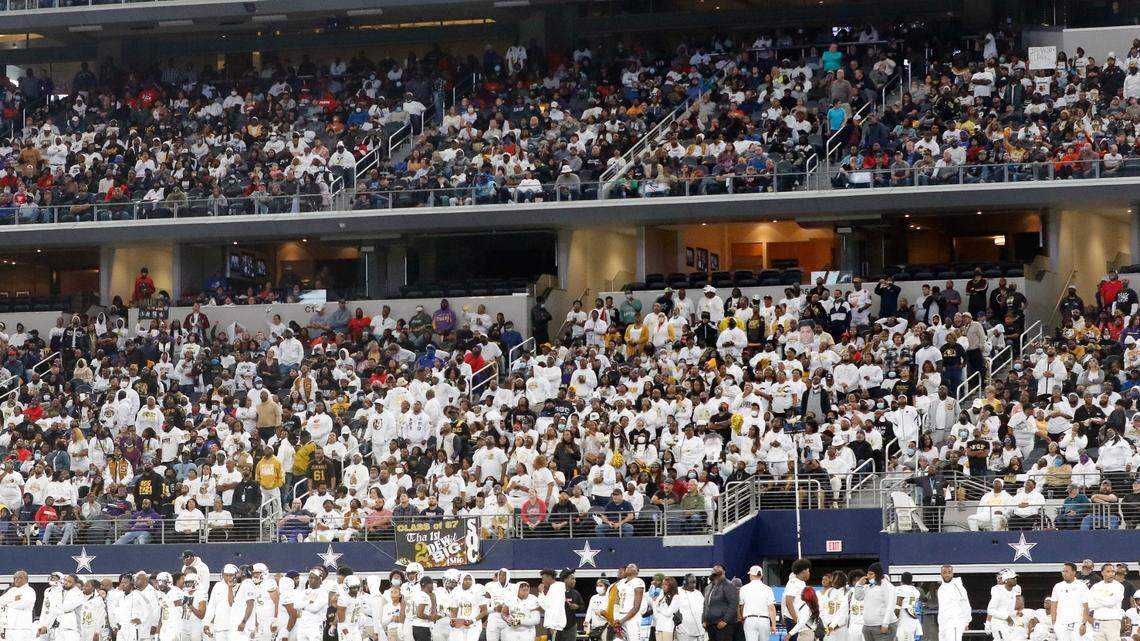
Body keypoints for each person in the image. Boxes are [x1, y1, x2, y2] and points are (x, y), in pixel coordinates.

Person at [738, 565, 778, 641]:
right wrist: (774, 625)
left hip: (750, 620)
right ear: (761, 575)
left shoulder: (743, 589)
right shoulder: (768, 589)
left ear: (751, 575)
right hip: (764, 620)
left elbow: (741, 606)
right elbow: (771, 608)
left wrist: (743, 618)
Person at [1087, 564, 1125, 641]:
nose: (1111, 574)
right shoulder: (1096, 586)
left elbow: (1111, 603)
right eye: (1108, 571)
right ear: (1102, 573)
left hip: (1112, 621)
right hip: (1097, 621)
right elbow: (1091, 603)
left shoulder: (1119, 586)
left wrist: (1097, 598)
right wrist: (1105, 600)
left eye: (1113, 571)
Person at [936, 565, 971, 641]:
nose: (947, 575)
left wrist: (966, 621)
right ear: (941, 574)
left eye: (949, 572)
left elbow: (965, 604)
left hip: (955, 623)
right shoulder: (940, 589)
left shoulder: (958, 586)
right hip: (943, 624)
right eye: (944, 572)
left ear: (953, 573)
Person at [704, 564, 738, 641]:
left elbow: (733, 604)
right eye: (714, 569)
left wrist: (725, 621)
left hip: (724, 625)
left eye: (718, 569)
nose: (716, 571)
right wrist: (704, 620)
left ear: (724, 572)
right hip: (710, 624)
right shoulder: (708, 588)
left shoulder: (729, 585)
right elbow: (705, 605)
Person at [861, 563, 895, 641]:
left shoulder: (887, 586)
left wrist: (885, 624)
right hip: (868, 625)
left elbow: (890, 606)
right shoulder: (870, 587)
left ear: (878, 574)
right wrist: (859, 584)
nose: (868, 576)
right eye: (868, 574)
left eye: (871, 574)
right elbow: (858, 597)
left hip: (881, 625)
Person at [987, 570, 1019, 641]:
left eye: (1015, 578)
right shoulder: (998, 592)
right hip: (998, 624)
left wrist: (1015, 613)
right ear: (1006, 580)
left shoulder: (1014, 591)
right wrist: (1006, 617)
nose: (1015, 579)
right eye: (1013, 578)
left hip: (1009, 624)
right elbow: (990, 610)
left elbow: (1008, 609)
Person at [892, 573, 920, 641]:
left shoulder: (899, 589)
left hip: (903, 623)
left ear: (901, 580)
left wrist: (893, 621)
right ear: (911, 581)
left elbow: (898, 608)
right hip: (912, 622)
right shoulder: (916, 591)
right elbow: (910, 606)